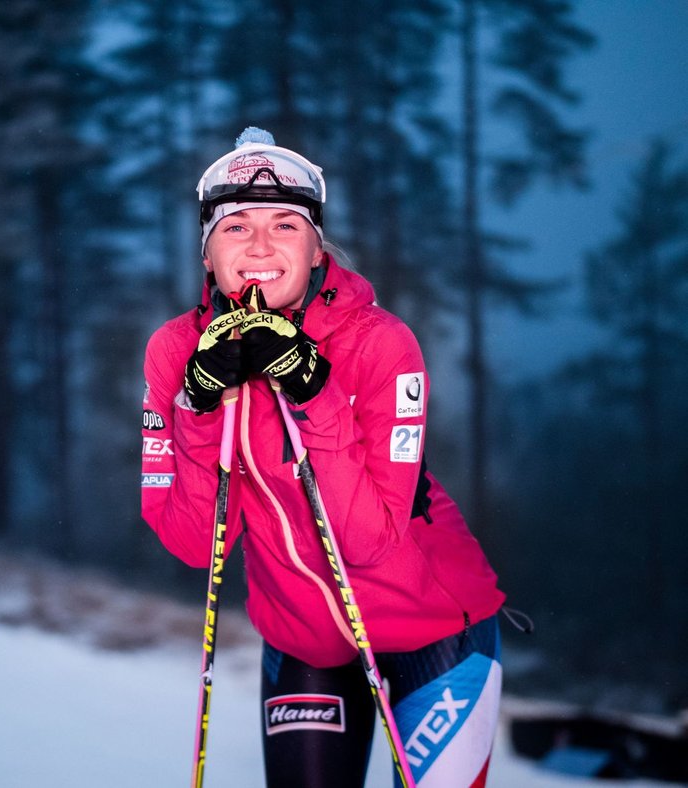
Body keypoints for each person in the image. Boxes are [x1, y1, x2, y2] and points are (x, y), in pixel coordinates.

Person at [141, 128, 507, 787]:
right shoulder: (175, 352)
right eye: (234, 227)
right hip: (303, 637)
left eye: (285, 224)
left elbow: (368, 542)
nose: (258, 246)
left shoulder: (381, 344)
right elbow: (199, 545)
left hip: (433, 629)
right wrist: (198, 407)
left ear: (315, 249)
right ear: (207, 252)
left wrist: (314, 391)